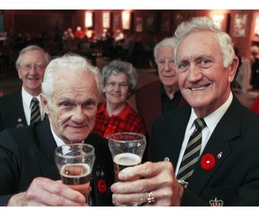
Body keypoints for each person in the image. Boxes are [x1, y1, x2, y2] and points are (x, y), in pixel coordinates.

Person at [111, 17, 259, 206]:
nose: (193, 76)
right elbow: (154, 196)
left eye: (204, 61)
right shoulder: (162, 126)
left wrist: (181, 198)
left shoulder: (255, 137)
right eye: (183, 65)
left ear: (231, 68)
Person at [0, 54, 114, 206]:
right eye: (66, 104)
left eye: (88, 104)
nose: (79, 117)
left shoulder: (103, 147)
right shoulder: (14, 144)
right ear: (45, 104)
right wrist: (17, 203)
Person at [0, 45, 51, 170]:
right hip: (17, 174)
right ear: (19, 71)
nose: (33, 72)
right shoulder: (3, 105)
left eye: (39, 66)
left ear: (48, 71)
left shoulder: (58, 103)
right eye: (27, 66)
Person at [135, 37, 187, 137]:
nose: (166, 68)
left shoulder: (196, 94)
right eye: (162, 62)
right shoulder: (143, 95)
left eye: (173, 62)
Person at [92, 59, 147, 139]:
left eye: (123, 85)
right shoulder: (92, 112)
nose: (116, 89)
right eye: (112, 83)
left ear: (129, 90)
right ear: (104, 86)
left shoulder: (135, 122)